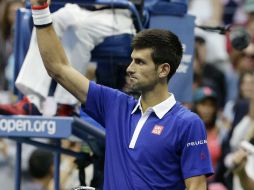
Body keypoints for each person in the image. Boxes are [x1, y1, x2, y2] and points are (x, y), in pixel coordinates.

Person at [29, 0, 214, 189]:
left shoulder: (187, 123)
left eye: (140, 62)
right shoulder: (115, 105)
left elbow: (197, 186)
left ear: (163, 70)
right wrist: (40, 10)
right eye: (131, 60)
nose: (130, 68)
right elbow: (58, 68)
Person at [0, 0, 136, 116]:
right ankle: (31, 102)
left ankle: (67, 104)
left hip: (117, 12)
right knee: (45, 19)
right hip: (80, 7)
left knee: (78, 31)